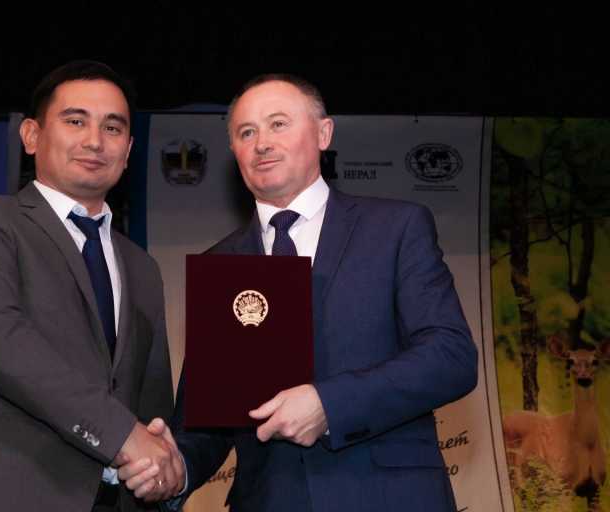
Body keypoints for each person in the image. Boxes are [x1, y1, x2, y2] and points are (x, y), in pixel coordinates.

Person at [119, 74, 478, 511]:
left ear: (323, 133)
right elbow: (209, 417)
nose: (262, 143)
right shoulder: (221, 264)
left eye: (278, 124)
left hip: (388, 496)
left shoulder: (396, 229)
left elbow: (450, 356)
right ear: (234, 151)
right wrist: (177, 469)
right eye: (246, 132)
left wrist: (330, 404)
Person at [0, 60, 183, 512]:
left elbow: (152, 403)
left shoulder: (142, 267)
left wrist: (164, 470)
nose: (94, 140)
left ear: (129, 150)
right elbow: (1, 345)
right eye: (75, 121)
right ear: (32, 136)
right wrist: (124, 437)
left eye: (112, 128)